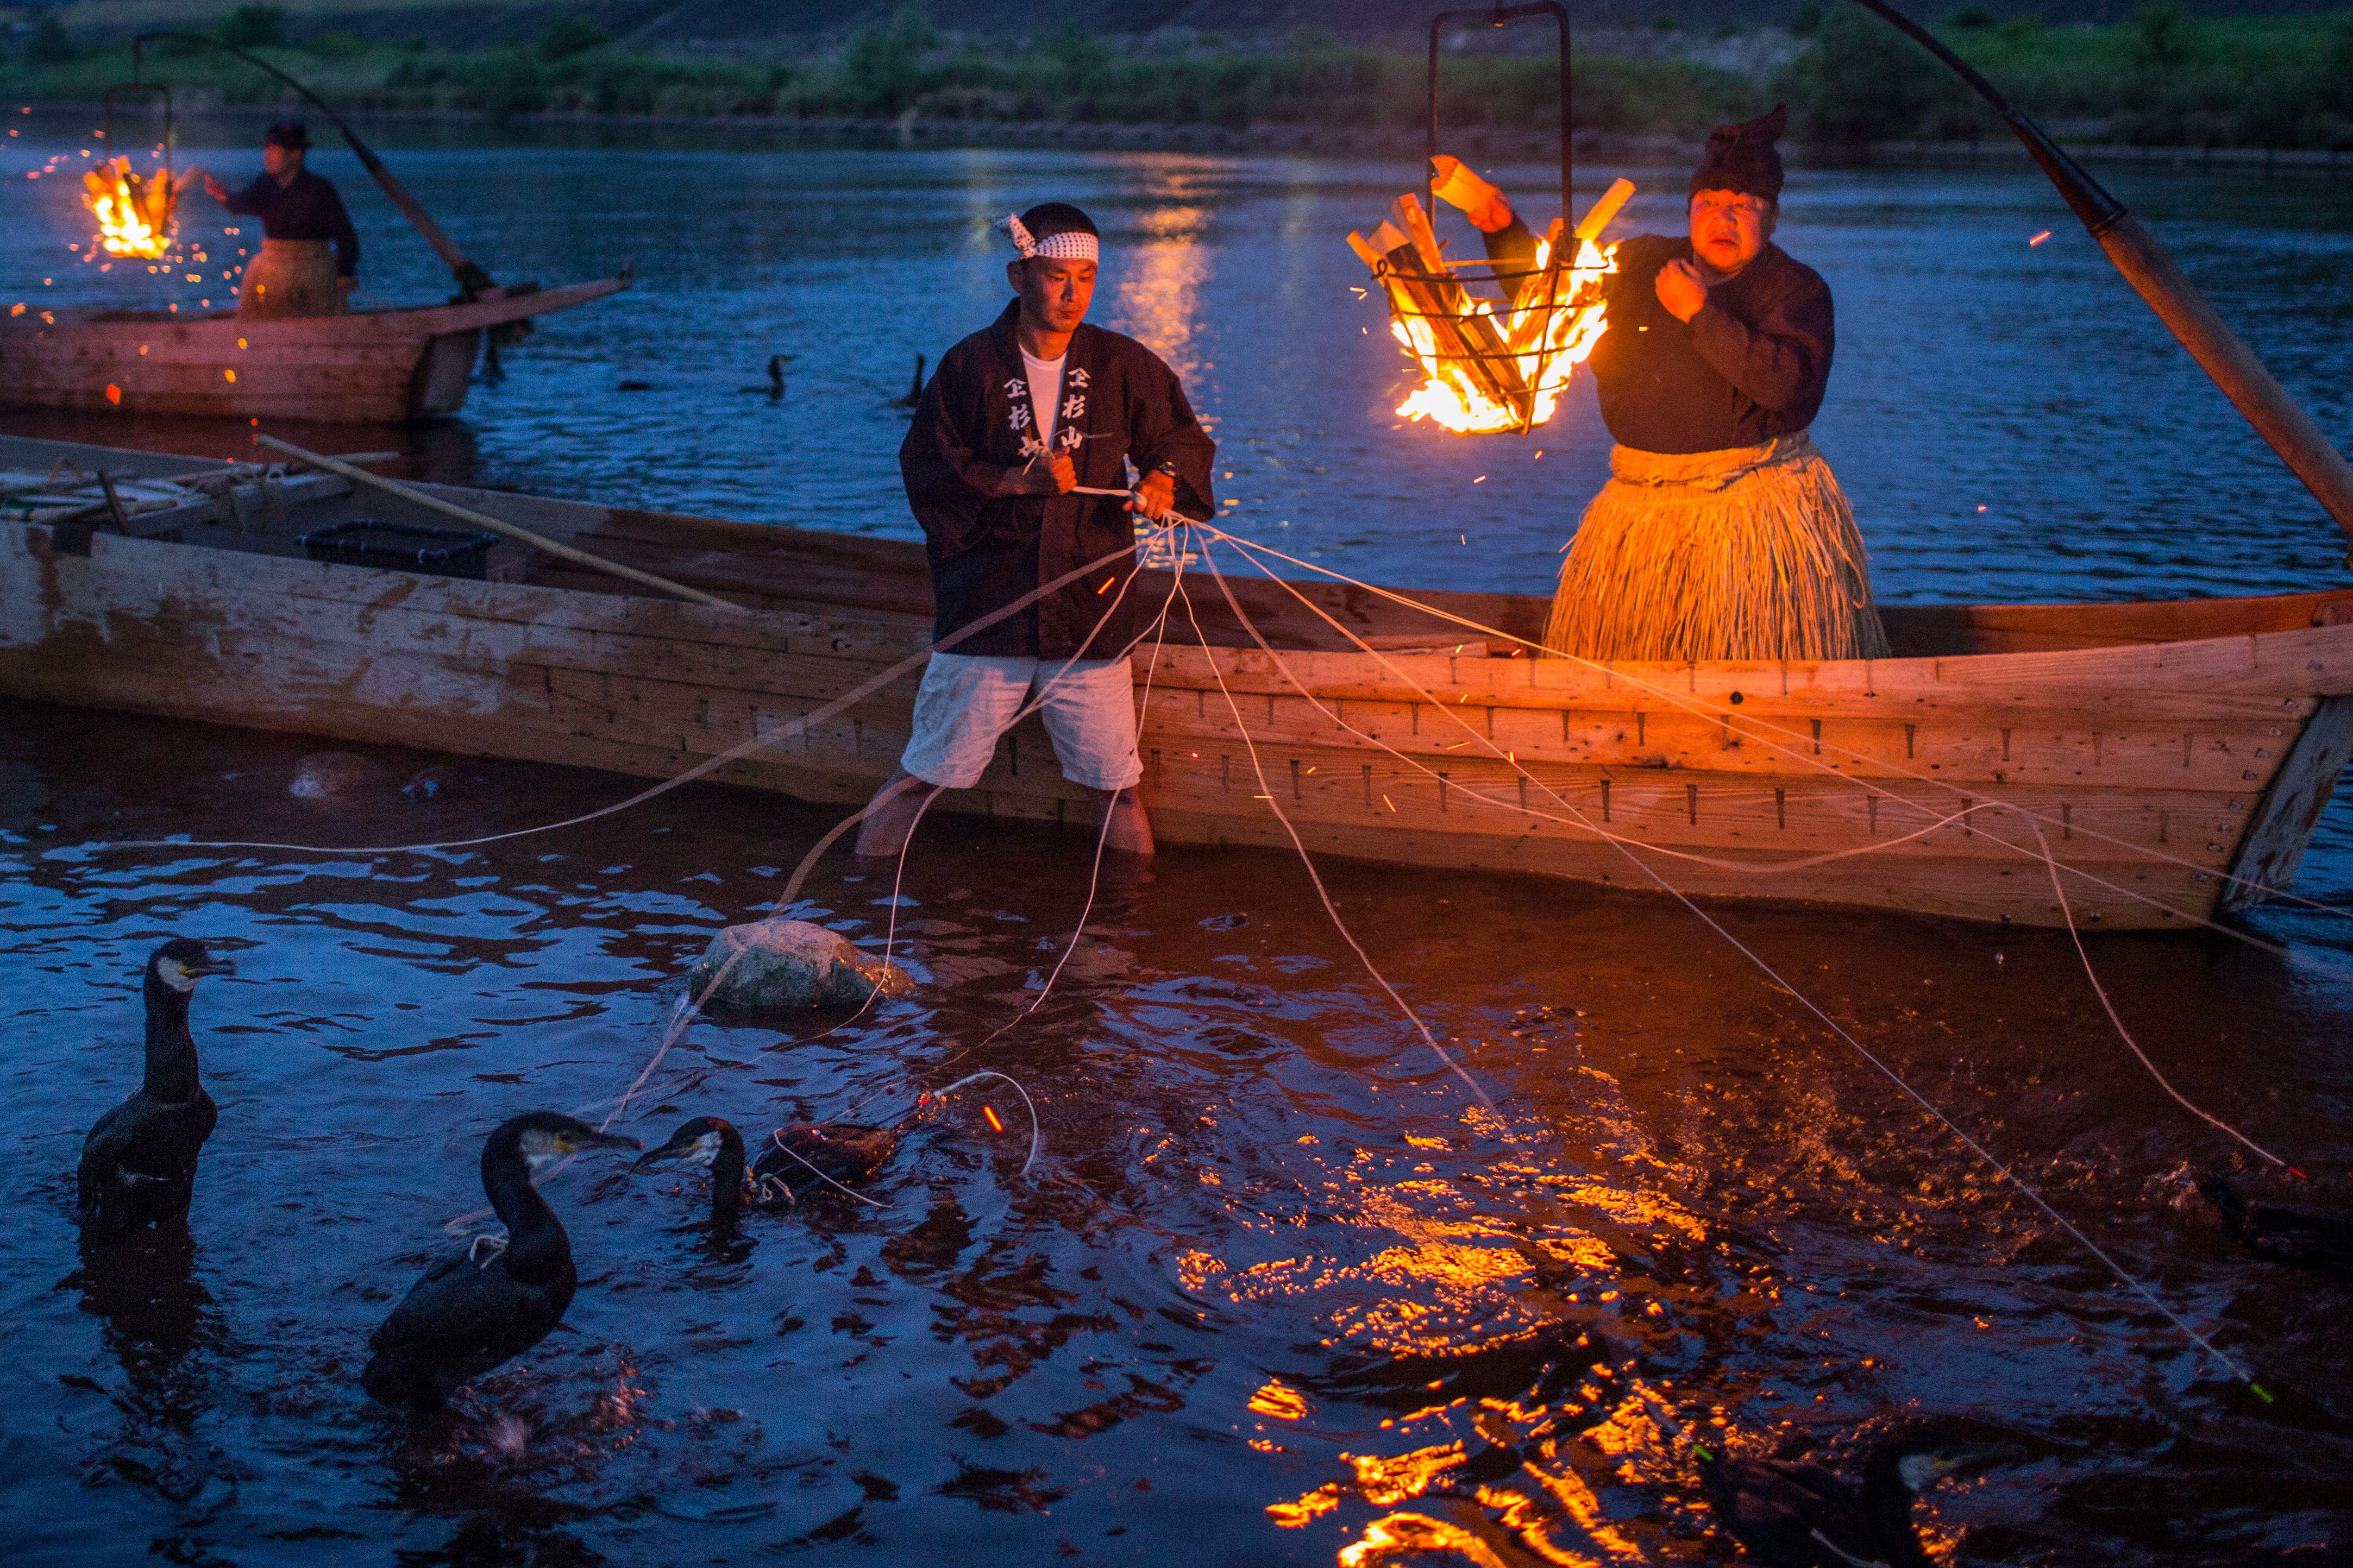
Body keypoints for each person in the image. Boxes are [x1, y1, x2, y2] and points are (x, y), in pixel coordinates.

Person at [1432, 106, 1888, 663]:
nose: (1724, 219)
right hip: (1638, 516)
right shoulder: (1641, 261)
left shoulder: (1796, 291)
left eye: (1742, 207)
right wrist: (1501, 228)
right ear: (1689, 210)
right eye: (1709, 205)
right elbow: (1549, 301)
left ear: (1769, 219)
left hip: (1750, 520)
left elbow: (1785, 388)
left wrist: (1699, 313)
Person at [856, 202, 1217, 861]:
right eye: (1056, 276)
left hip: (1089, 614)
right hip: (989, 608)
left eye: (1085, 276)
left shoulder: (1120, 364)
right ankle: (859, 899)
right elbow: (927, 467)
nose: (1072, 293)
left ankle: (1127, 942)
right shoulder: (970, 367)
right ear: (1018, 277)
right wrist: (1021, 482)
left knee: (1116, 790)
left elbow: (1178, 439)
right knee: (920, 778)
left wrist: (1162, 480)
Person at [192, 119, 359, 320]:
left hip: (314, 269)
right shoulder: (265, 185)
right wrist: (222, 194)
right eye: (266, 150)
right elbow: (242, 204)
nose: (267, 156)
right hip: (272, 268)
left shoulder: (320, 190)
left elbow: (344, 234)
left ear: (296, 154)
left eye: (275, 150)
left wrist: (346, 271)